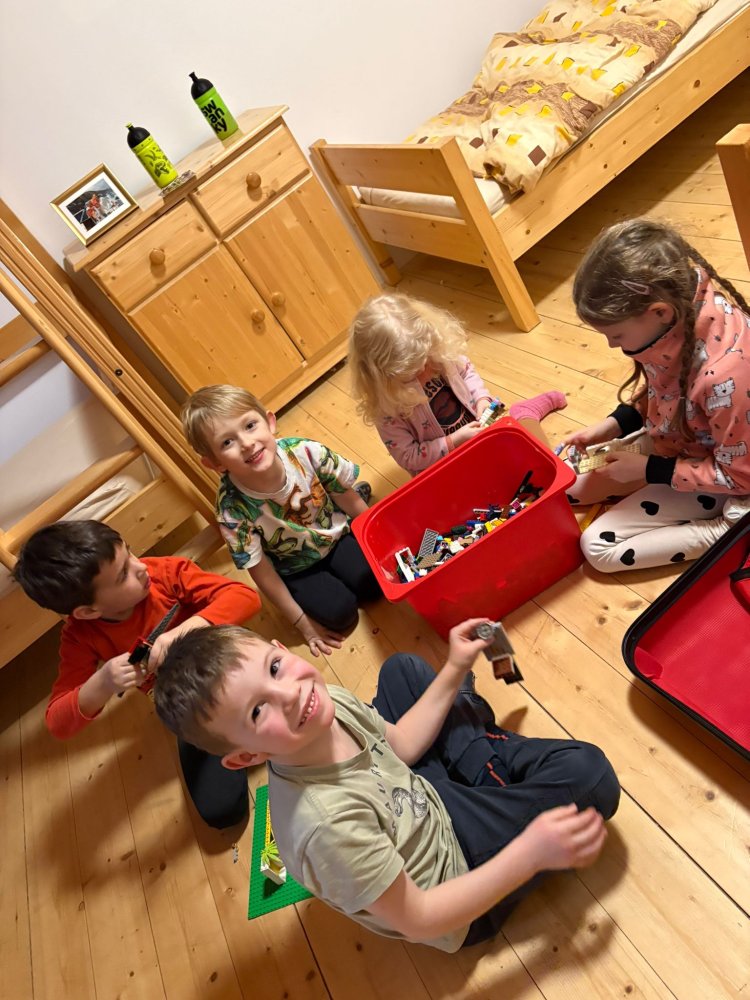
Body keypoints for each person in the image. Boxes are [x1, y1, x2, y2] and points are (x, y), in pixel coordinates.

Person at [154, 621, 620, 952]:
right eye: (258, 712)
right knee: (590, 774)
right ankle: (488, 767)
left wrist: (455, 665)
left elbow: (401, 746)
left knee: (403, 670)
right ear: (245, 758)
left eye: (275, 667)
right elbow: (420, 920)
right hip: (455, 883)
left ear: (280, 648)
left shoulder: (325, 703)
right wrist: (529, 853)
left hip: (417, 799)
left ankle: (484, 770)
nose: (290, 693)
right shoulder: (326, 826)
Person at [13, 519, 261, 829]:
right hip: (191, 704)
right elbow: (57, 722)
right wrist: (103, 682)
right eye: (123, 575)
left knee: (285, 721)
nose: (140, 567)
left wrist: (179, 634)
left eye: (129, 552)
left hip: (233, 667)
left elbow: (245, 596)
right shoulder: (80, 637)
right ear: (88, 611)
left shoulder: (163, 572)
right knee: (220, 811)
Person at [564, 218, 750, 572]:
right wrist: (616, 423)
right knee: (569, 483)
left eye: (616, 335)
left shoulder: (725, 375)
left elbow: (740, 476)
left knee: (597, 548)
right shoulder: (678, 315)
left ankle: (728, 531)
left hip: (735, 479)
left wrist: (652, 470)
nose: (611, 345)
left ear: (659, 313)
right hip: (690, 442)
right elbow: (664, 386)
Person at [181, 385, 381, 657]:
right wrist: (304, 625)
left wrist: (384, 542)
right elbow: (261, 571)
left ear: (270, 422)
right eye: (227, 442)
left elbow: (345, 497)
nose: (246, 443)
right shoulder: (231, 511)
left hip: (335, 534)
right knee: (341, 614)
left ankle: (359, 516)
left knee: (374, 584)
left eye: (250, 425)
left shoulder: (306, 452)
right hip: (296, 568)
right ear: (215, 463)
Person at [348, 293, 567, 475]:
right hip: (445, 465)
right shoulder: (387, 409)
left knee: (530, 459)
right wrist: (453, 441)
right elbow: (408, 456)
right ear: (382, 378)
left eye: (426, 360)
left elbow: (466, 371)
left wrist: (482, 400)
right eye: (411, 374)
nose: (426, 372)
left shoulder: (436, 355)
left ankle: (525, 413)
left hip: (481, 435)